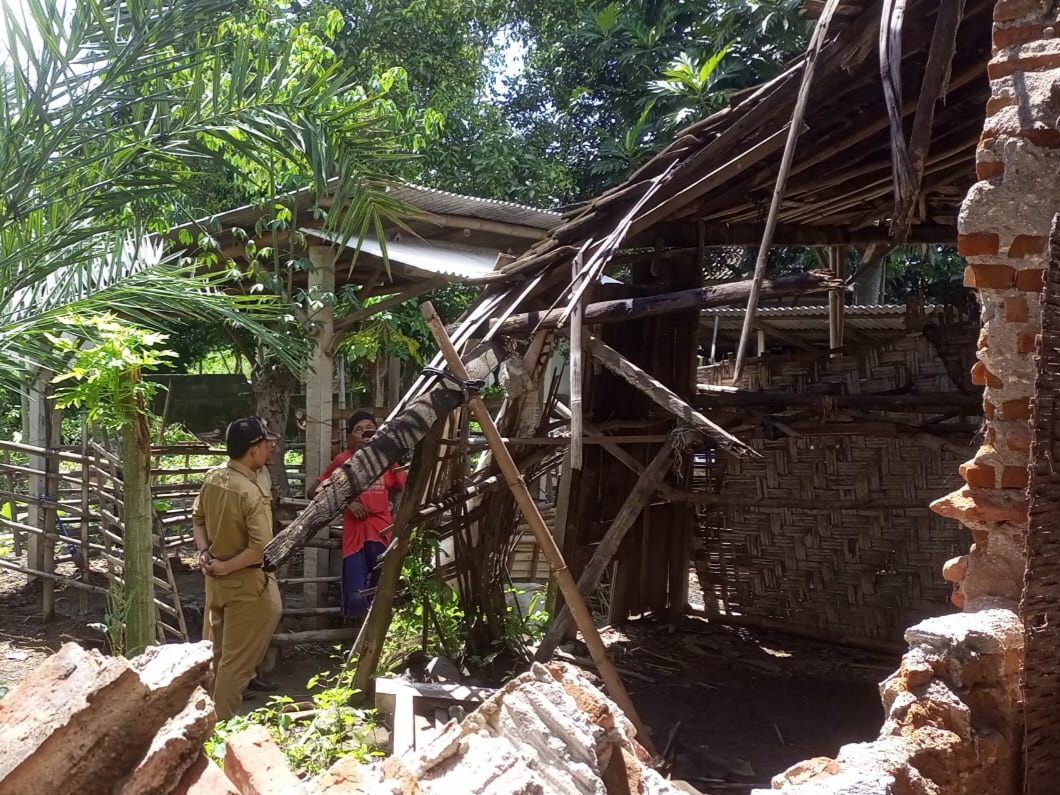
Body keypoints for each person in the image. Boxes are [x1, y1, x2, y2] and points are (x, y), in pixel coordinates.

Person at [192, 416, 282, 720]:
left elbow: (198, 519)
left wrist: (205, 554)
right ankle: (220, 732)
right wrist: (227, 566)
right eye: (264, 443)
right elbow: (261, 549)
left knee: (213, 657)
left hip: (216, 582)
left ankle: (199, 721)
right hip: (246, 586)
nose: (269, 447)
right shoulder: (247, 491)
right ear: (252, 449)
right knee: (235, 665)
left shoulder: (213, 478)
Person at [307, 410, 406, 619]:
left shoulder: (388, 461)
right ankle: (355, 641)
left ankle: (378, 639)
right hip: (355, 537)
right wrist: (347, 504)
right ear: (351, 437)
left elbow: (405, 486)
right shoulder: (343, 461)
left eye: (369, 429)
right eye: (358, 430)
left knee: (382, 590)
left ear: (377, 433)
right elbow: (314, 490)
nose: (364, 433)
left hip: (382, 532)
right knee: (356, 594)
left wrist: (397, 510)